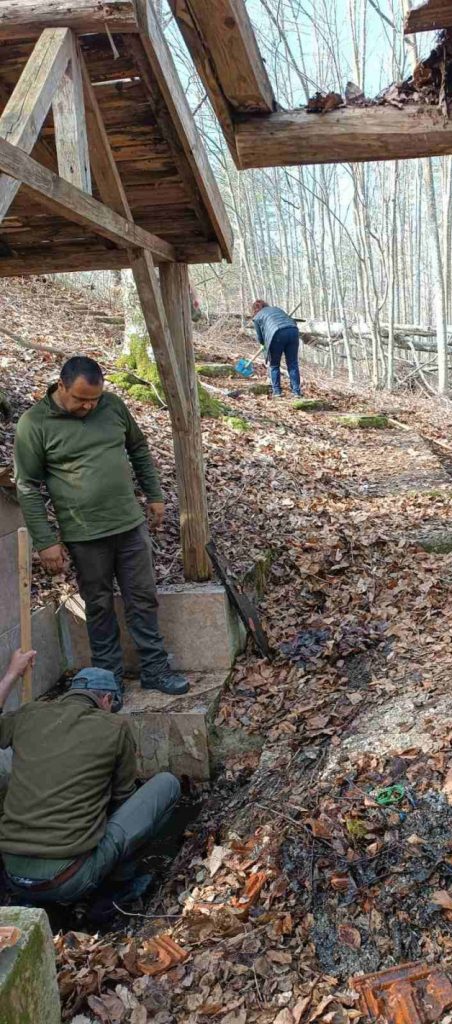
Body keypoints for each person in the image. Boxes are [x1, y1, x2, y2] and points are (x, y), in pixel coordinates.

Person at [13, 356, 189, 708]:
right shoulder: (35, 424)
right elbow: (28, 486)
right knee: (98, 605)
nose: (89, 405)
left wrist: (154, 495)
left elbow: (137, 447)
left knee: (142, 597)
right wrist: (46, 541)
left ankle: (155, 668)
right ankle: (108, 681)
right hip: (84, 532)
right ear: (61, 386)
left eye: (94, 398)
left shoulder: (112, 406)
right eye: (80, 399)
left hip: (129, 523)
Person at [0, 662, 180, 905]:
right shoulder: (113, 727)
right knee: (167, 784)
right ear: (106, 699)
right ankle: (117, 891)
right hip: (69, 880)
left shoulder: (28, 714)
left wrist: (12, 673)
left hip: (13, 876)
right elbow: (123, 798)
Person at [251, 299, 302, 398]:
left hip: (276, 333)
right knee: (292, 364)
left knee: (274, 364)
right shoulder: (276, 309)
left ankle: (277, 391)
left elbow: (260, 337)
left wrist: (264, 344)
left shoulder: (257, 317)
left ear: (254, 310)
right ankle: (296, 392)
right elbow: (288, 321)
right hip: (293, 330)